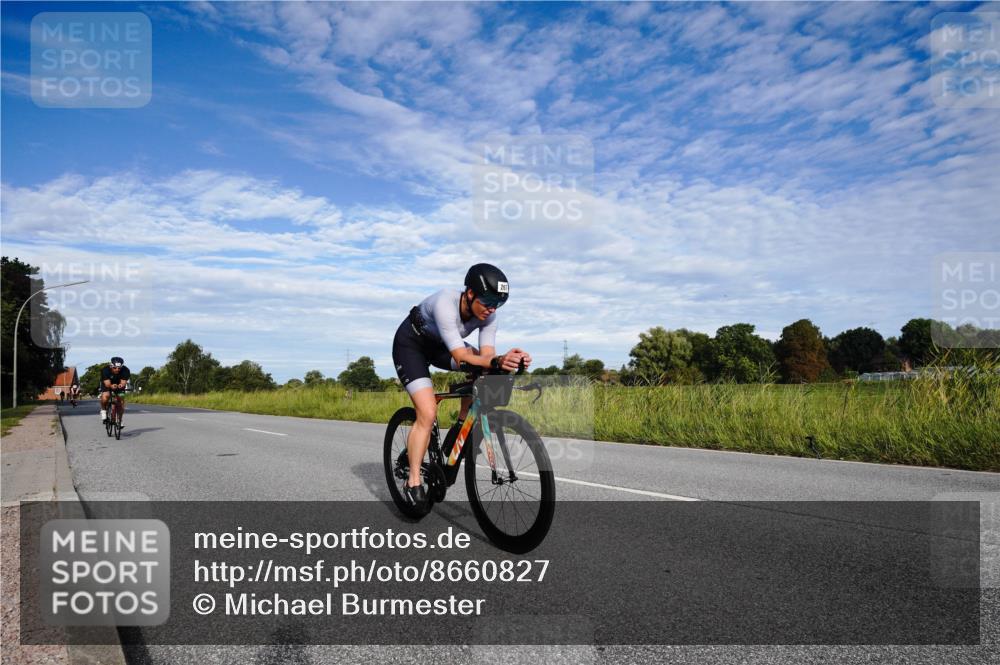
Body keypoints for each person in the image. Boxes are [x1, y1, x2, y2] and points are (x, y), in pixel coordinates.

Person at [391, 263, 531, 510]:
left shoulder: (489, 316)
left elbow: (487, 354)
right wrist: (495, 360)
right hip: (411, 346)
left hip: (441, 347)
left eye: (497, 304)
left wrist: (508, 362)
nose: (491, 309)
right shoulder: (445, 302)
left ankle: (460, 428)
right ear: (469, 293)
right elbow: (460, 355)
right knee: (427, 412)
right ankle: (412, 481)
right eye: (487, 301)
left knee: (486, 370)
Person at [100, 357, 131, 424]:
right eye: (115, 368)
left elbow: (123, 382)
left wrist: (121, 385)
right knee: (106, 397)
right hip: (107, 383)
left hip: (118, 384)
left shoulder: (125, 370)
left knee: (121, 401)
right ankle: (103, 411)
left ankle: (119, 420)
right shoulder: (105, 370)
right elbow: (107, 384)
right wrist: (111, 386)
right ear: (111, 366)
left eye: (119, 368)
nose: (117, 370)